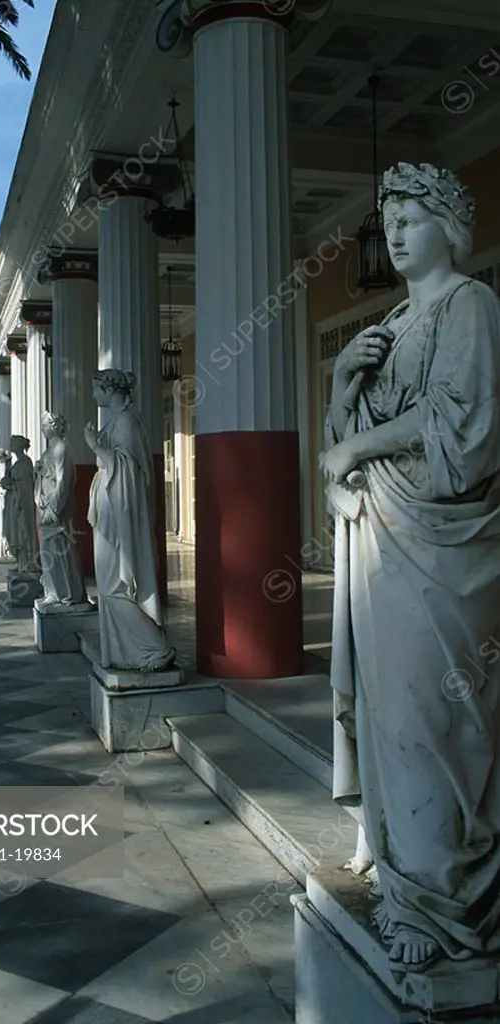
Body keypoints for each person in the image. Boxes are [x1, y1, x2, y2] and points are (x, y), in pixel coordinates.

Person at [320, 162, 500, 970]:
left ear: (449, 226)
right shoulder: (387, 321)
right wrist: (338, 380)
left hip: (443, 547)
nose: (393, 233)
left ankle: (445, 899)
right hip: (378, 540)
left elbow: (465, 429)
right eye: (386, 219)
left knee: (435, 711)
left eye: (411, 218)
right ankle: (407, 882)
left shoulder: (471, 304)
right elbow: (341, 438)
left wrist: (355, 446)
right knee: (391, 712)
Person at [85, 368, 175, 671]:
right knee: (110, 588)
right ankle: (131, 652)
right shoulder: (118, 421)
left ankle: (155, 646)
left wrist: (96, 447)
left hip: (119, 520)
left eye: (96, 388)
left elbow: (130, 475)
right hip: (110, 514)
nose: (93, 394)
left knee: (114, 589)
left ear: (109, 390)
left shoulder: (125, 422)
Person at [34, 412, 87, 606]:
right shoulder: (50, 450)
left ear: (54, 426)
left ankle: (67, 592)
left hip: (57, 510)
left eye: (45, 424)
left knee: (61, 549)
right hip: (45, 506)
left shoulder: (61, 449)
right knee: (48, 550)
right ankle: (53, 591)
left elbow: (63, 483)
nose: (42, 428)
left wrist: (54, 510)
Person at [4, 435, 38, 576]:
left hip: (20, 504)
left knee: (22, 532)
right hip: (13, 502)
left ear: (18, 446)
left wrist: (11, 485)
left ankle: (27, 564)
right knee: (15, 532)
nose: (10, 445)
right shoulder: (17, 463)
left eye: (12, 443)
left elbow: (25, 487)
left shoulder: (25, 463)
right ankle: (21, 564)